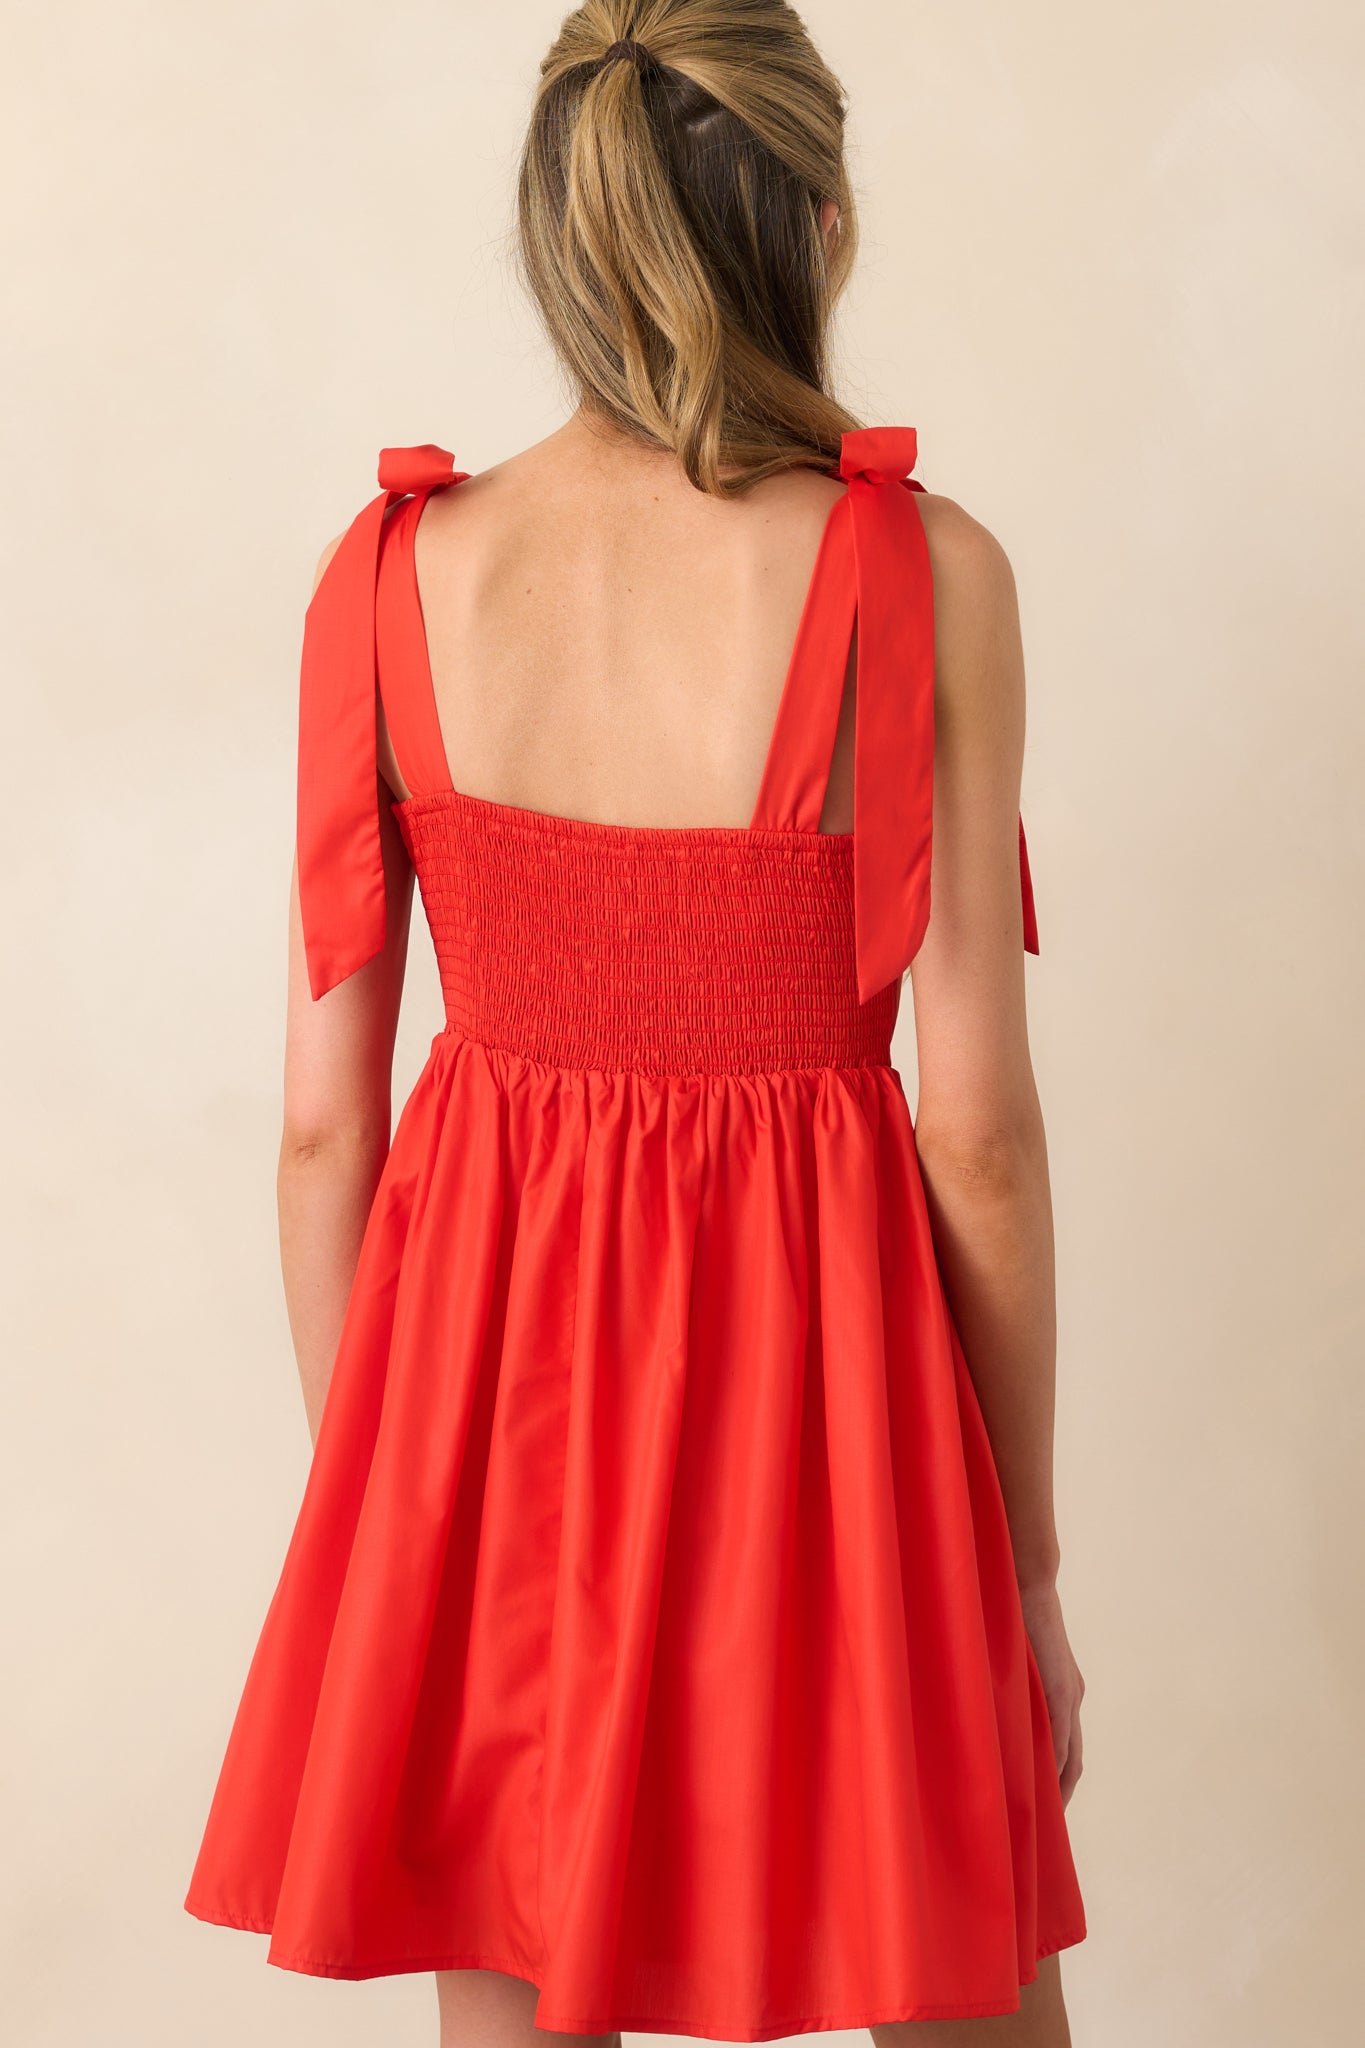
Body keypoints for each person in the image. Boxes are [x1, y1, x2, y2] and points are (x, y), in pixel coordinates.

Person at [184, 4, 1087, 2044]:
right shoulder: (913, 570)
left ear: (559, 230)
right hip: (832, 1409)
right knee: (954, 1980)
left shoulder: (393, 573)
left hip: (486, 1408)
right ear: (820, 221)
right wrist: (1020, 1564)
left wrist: (390, 1514)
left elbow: (324, 1131)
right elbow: (975, 1133)